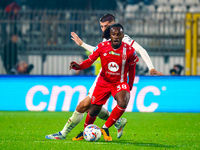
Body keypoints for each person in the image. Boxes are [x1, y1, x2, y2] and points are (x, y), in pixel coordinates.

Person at [45, 13, 163, 141]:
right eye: (101, 26)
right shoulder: (106, 39)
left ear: (114, 25)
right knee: (89, 106)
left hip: (115, 79)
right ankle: (115, 122)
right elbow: (99, 51)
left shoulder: (124, 39)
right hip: (103, 77)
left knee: (83, 106)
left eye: (106, 26)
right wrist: (82, 44)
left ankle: (65, 133)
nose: (103, 29)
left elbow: (141, 50)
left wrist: (150, 67)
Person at [70, 23, 139, 141]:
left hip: (119, 82)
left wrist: (130, 85)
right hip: (103, 82)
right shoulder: (102, 47)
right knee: (94, 109)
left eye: (119, 34)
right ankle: (85, 131)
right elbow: (89, 61)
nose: (116, 36)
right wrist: (78, 66)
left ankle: (105, 127)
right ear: (110, 36)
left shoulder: (130, 51)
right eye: (113, 34)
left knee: (123, 101)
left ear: (123, 36)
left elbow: (132, 69)